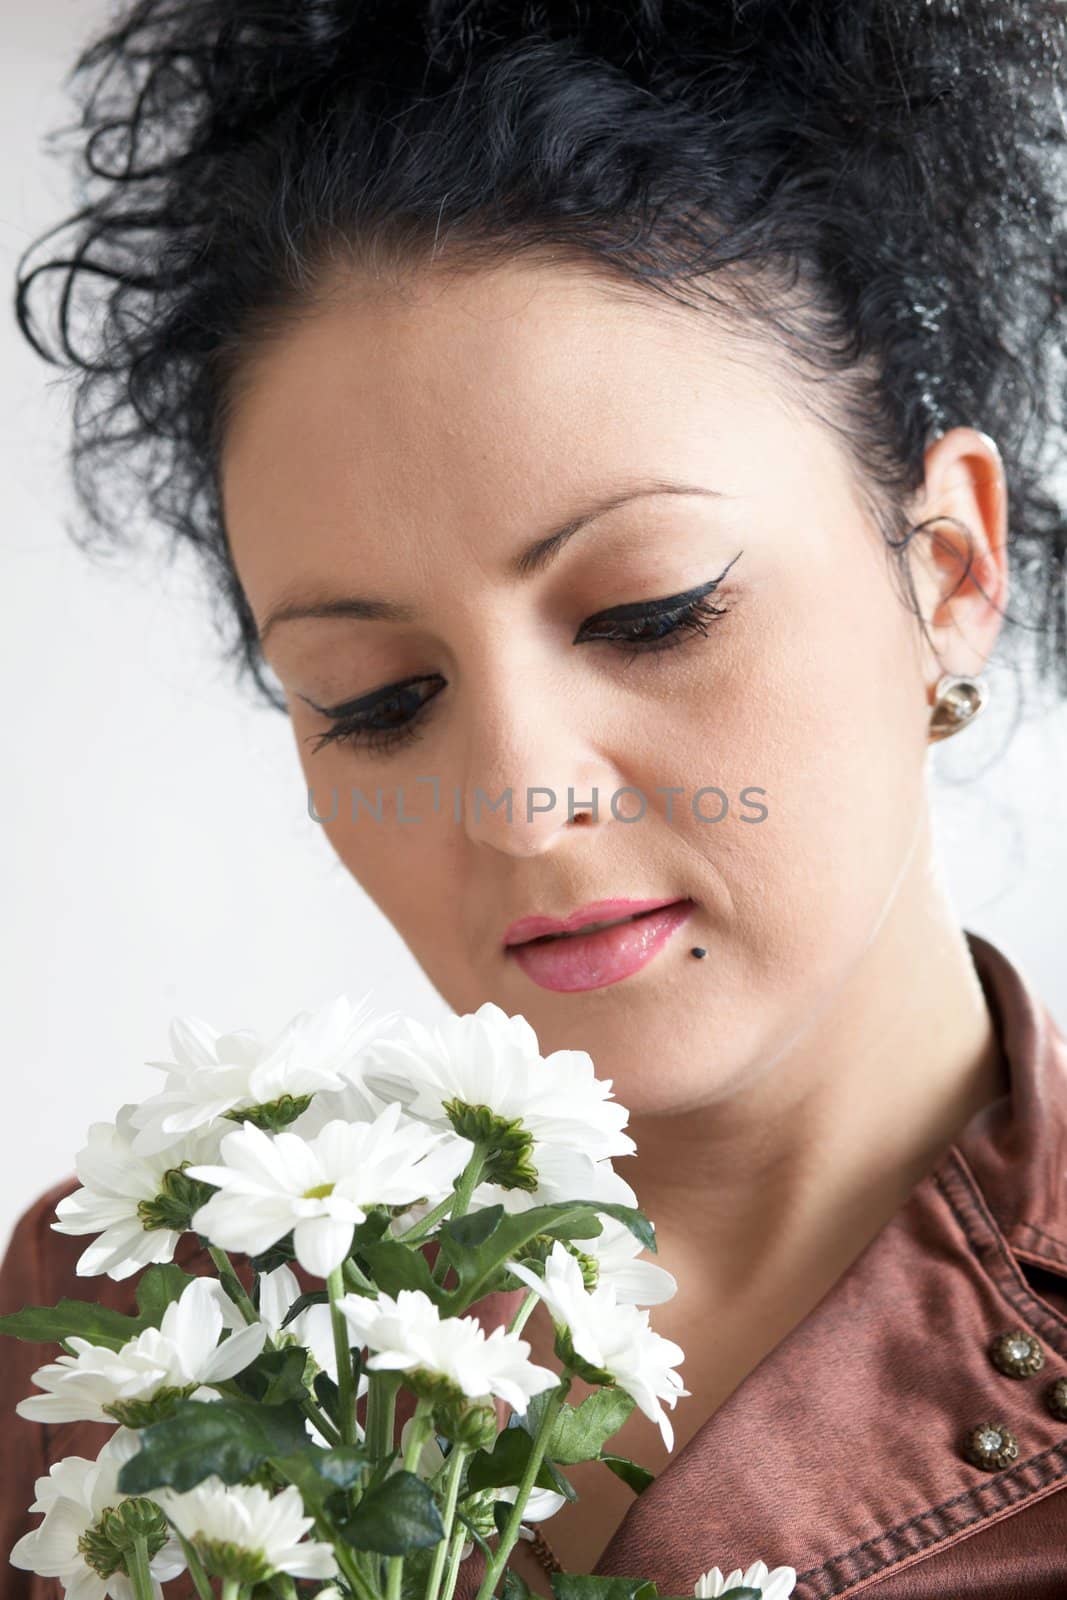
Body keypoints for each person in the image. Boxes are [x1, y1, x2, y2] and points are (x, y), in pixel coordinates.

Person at [3, 1, 1067, 1596]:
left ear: (949, 567)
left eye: (651, 613)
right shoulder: (143, 1316)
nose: (513, 806)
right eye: (375, 698)